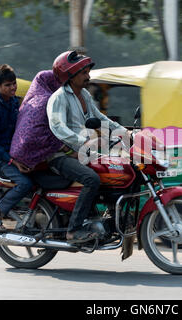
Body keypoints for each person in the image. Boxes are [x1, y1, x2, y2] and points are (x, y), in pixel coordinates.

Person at [46, 51, 130, 243]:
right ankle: (73, 230)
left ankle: (106, 220)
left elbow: (100, 119)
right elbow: (57, 126)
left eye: (87, 71)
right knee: (91, 179)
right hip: (61, 155)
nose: (88, 76)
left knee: (116, 167)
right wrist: (83, 143)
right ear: (69, 75)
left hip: (82, 152)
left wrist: (125, 133)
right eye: (83, 72)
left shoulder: (83, 94)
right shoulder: (59, 97)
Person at [0, 64, 33, 232]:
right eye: (8, 85)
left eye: (14, 83)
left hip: (14, 152)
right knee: (25, 183)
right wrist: (14, 162)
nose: (13, 87)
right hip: (0, 158)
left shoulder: (13, 102)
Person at [9, 69, 72, 189]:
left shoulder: (30, 100)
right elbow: (51, 131)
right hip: (31, 156)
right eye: (57, 82)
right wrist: (67, 149)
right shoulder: (48, 100)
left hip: (18, 153)